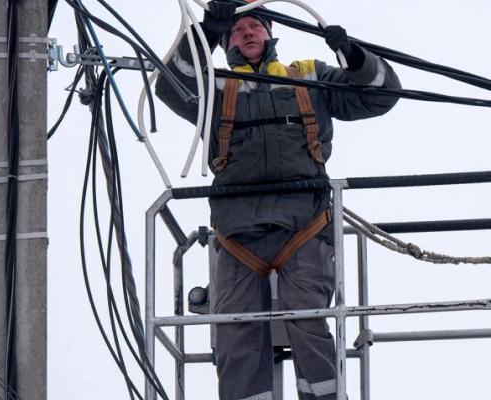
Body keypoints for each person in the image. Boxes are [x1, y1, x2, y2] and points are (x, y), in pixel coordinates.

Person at [155, 1, 401, 399]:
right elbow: (169, 86)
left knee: (309, 322)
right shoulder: (215, 88)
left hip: (303, 227)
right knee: (236, 334)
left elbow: (380, 95)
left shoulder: (308, 77)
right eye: (237, 30)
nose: (247, 33)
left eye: (255, 26)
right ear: (227, 42)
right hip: (238, 235)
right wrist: (207, 32)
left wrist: (354, 56)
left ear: (270, 33)